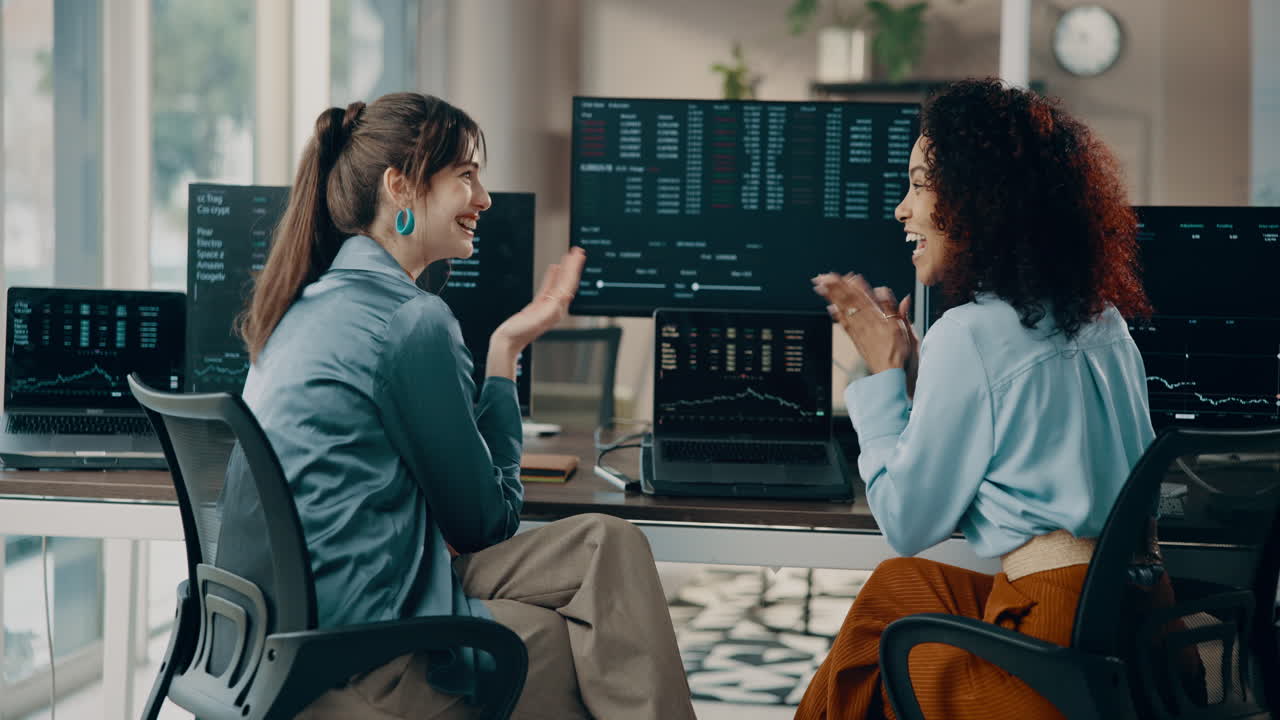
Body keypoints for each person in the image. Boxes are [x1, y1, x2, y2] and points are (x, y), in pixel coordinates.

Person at [227, 93, 696, 719]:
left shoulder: (303, 307)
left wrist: (506, 341)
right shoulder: (411, 319)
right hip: (370, 654)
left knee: (608, 544)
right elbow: (486, 523)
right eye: (466, 177)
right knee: (582, 643)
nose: (485, 199)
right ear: (400, 187)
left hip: (295, 640)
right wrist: (504, 354)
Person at [794, 78, 1155, 720]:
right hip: (1137, 627)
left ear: (980, 201)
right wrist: (918, 381)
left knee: (889, 657)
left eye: (921, 185)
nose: (903, 210)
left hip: (1051, 650)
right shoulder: (1105, 322)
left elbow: (907, 521)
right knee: (897, 591)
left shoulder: (967, 333)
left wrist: (879, 379)